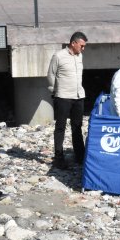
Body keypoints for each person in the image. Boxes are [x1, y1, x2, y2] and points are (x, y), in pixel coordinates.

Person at [47, 31, 88, 170]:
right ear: (73, 43)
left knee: (77, 127)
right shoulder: (58, 56)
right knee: (60, 127)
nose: (83, 49)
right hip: (63, 96)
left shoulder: (80, 56)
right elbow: (51, 74)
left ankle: (80, 156)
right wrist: (55, 91)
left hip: (78, 96)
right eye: (81, 46)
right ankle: (59, 157)